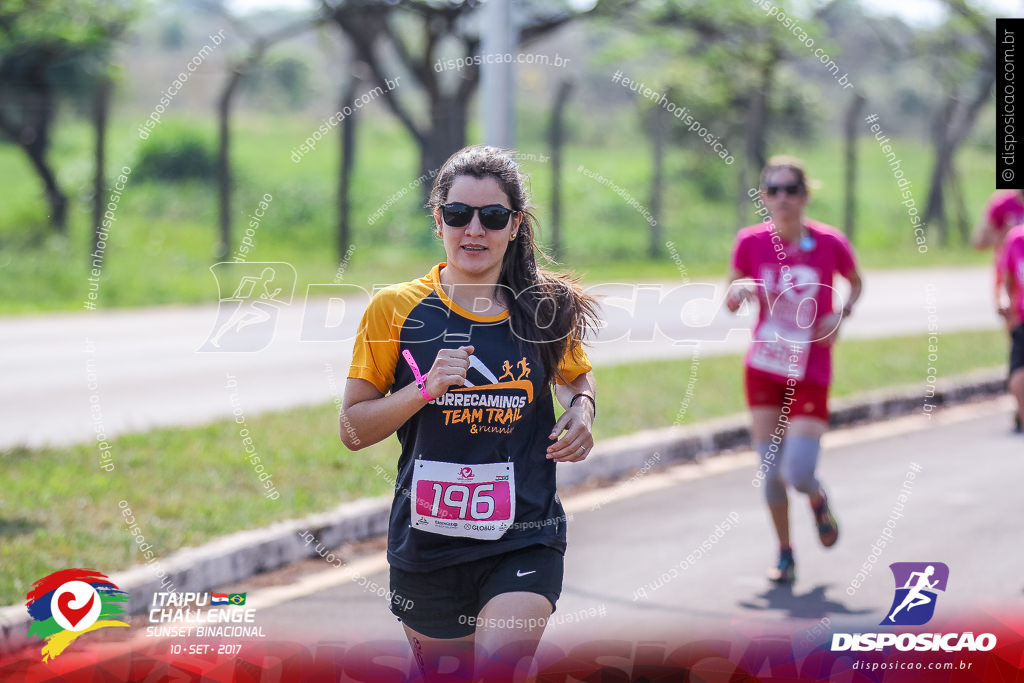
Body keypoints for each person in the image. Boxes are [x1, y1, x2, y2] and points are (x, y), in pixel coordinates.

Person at [340, 146, 600, 680]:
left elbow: (575, 374)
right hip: (428, 542)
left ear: (515, 225)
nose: (474, 230)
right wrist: (423, 389)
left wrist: (583, 407)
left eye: (493, 216)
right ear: (439, 221)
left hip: (525, 534)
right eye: (458, 214)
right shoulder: (395, 309)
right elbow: (351, 428)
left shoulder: (544, 305)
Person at [725, 156, 863, 584]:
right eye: (773, 190)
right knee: (769, 473)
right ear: (764, 196)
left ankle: (817, 497)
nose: (782, 198)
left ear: (805, 196)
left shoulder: (829, 242)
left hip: (811, 366)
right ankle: (785, 552)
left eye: (791, 190)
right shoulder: (750, 242)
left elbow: (855, 282)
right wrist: (739, 291)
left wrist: (841, 312)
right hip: (765, 366)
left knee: (798, 471)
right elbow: (730, 293)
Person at [974, 189, 1024, 432]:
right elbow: (979, 242)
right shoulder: (1002, 205)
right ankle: (1020, 404)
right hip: (1011, 282)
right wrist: (999, 233)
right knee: (1016, 342)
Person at [996, 223, 1024, 434]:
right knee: (1017, 382)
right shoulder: (1016, 239)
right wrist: (1004, 300)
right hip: (1022, 321)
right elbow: (1006, 282)